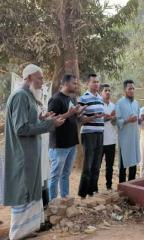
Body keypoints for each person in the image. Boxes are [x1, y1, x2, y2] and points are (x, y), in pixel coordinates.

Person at [4, 64, 65, 239]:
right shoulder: (20, 96)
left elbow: (28, 121)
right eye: (39, 78)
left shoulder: (28, 96)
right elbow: (21, 128)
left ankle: (27, 230)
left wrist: (43, 119)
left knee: (31, 190)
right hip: (22, 156)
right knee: (23, 191)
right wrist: (49, 124)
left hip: (31, 154)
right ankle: (16, 234)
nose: (42, 81)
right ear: (29, 78)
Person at [48, 74, 83, 201]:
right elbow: (51, 121)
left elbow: (73, 117)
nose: (76, 85)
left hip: (71, 143)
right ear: (66, 83)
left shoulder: (72, 98)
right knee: (55, 174)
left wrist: (78, 112)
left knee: (66, 173)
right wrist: (70, 113)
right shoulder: (55, 99)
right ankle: (52, 201)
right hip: (59, 144)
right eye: (74, 83)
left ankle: (64, 197)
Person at [78, 73, 105, 199]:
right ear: (87, 83)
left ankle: (92, 190)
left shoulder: (100, 98)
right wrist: (92, 117)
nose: (96, 84)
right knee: (88, 164)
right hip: (89, 134)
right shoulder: (83, 98)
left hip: (100, 133)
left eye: (98, 81)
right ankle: (83, 193)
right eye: (94, 82)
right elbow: (79, 118)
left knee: (97, 163)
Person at [115, 80, 141, 182]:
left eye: (133, 88)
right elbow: (117, 121)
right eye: (130, 88)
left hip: (134, 138)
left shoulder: (136, 103)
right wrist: (127, 120)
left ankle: (132, 186)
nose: (132, 90)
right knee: (123, 165)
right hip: (124, 140)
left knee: (133, 164)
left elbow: (138, 120)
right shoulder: (120, 103)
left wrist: (140, 119)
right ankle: (122, 187)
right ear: (124, 90)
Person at [100, 83, 117, 190]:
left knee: (109, 166)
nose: (108, 92)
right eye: (105, 90)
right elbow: (99, 120)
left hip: (111, 140)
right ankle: (93, 188)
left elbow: (114, 123)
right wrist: (110, 117)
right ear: (101, 92)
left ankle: (109, 186)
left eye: (109, 90)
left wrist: (114, 118)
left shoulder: (113, 106)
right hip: (100, 141)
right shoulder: (98, 105)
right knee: (96, 166)